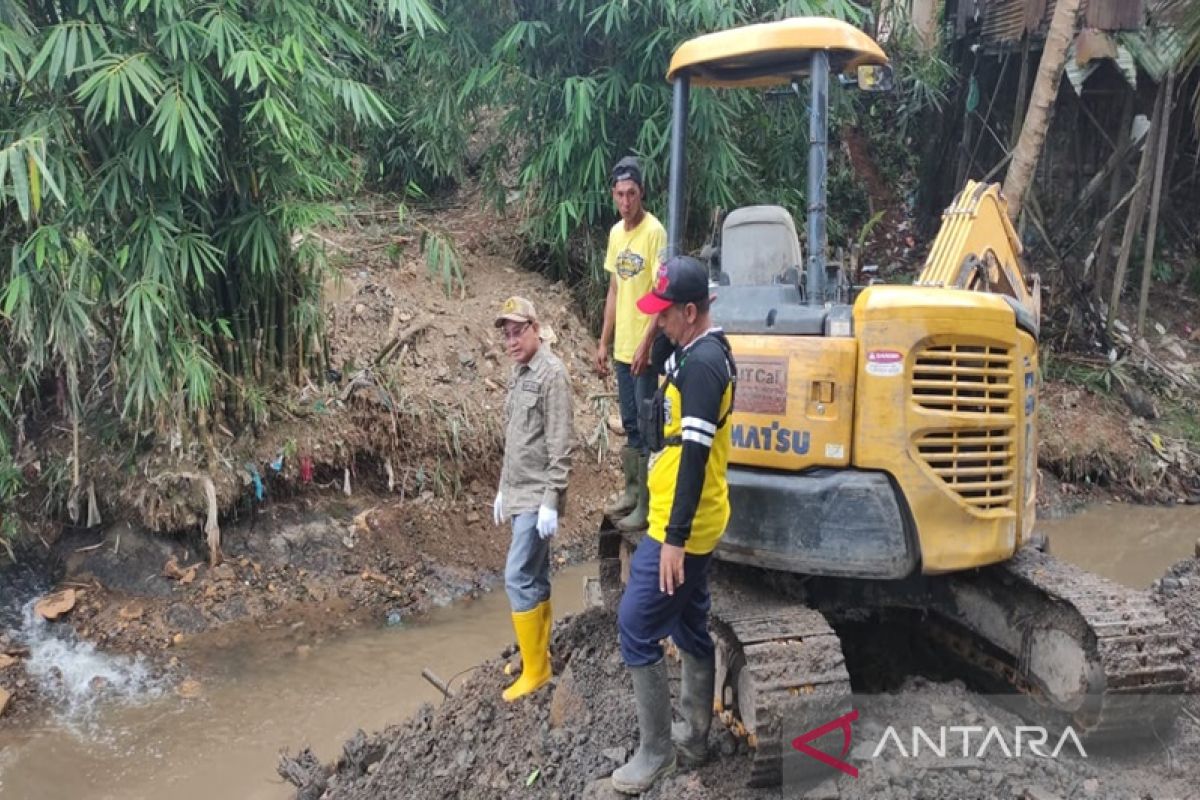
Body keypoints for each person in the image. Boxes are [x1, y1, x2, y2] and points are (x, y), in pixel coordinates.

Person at [611, 256, 736, 795]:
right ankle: (696, 734)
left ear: (690, 311)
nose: (657, 323)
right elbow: (660, 353)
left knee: (636, 625)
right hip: (690, 519)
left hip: (680, 524)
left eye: (664, 315)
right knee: (688, 624)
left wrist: (674, 542)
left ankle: (658, 752)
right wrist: (653, 341)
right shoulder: (691, 350)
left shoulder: (705, 366)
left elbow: (695, 458)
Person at [491, 296, 573, 702]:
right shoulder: (519, 373)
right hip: (519, 491)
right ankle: (535, 654)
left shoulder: (551, 375)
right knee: (536, 577)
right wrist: (503, 489)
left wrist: (551, 500)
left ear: (535, 328)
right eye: (506, 334)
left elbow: (560, 444)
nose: (511, 340)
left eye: (518, 331)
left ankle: (537, 672)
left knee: (517, 576)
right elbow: (516, 439)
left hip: (538, 496)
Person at [595, 155, 667, 533]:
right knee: (629, 423)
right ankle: (631, 490)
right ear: (614, 195)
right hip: (621, 344)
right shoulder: (615, 234)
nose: (626, 202)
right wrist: (603, 342)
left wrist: (646, 343)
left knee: (646, 422)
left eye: (632, 194)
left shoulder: (654, 232)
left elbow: (660, 292)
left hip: (644, 346)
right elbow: (613, 290)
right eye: (620, 194)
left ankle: (647, 504)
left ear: (642, 193)